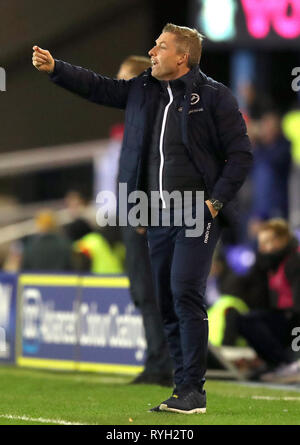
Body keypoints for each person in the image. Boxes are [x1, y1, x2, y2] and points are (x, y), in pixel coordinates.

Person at [32, 23, 252, 414]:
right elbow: (99, 87)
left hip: (196, 211)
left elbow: (240, 155)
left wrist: (214, 203)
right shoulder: (143, 90)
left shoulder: (215, 96)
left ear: (181, 57)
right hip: (154, 212)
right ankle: (180, 385)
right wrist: (56, 69)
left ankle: (192, 391)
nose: (152, 51)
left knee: (185, 292)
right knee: (165, 299)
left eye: (161, 46)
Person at [237, 219, 300, 383]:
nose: (261, 248)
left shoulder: (295, 260)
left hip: (294, 318)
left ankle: (289, 364)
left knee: (254, 321)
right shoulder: (270, 263)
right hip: (282, 316)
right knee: (247, 320)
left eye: (266, 242)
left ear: (281, 240)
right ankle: (277, 364)